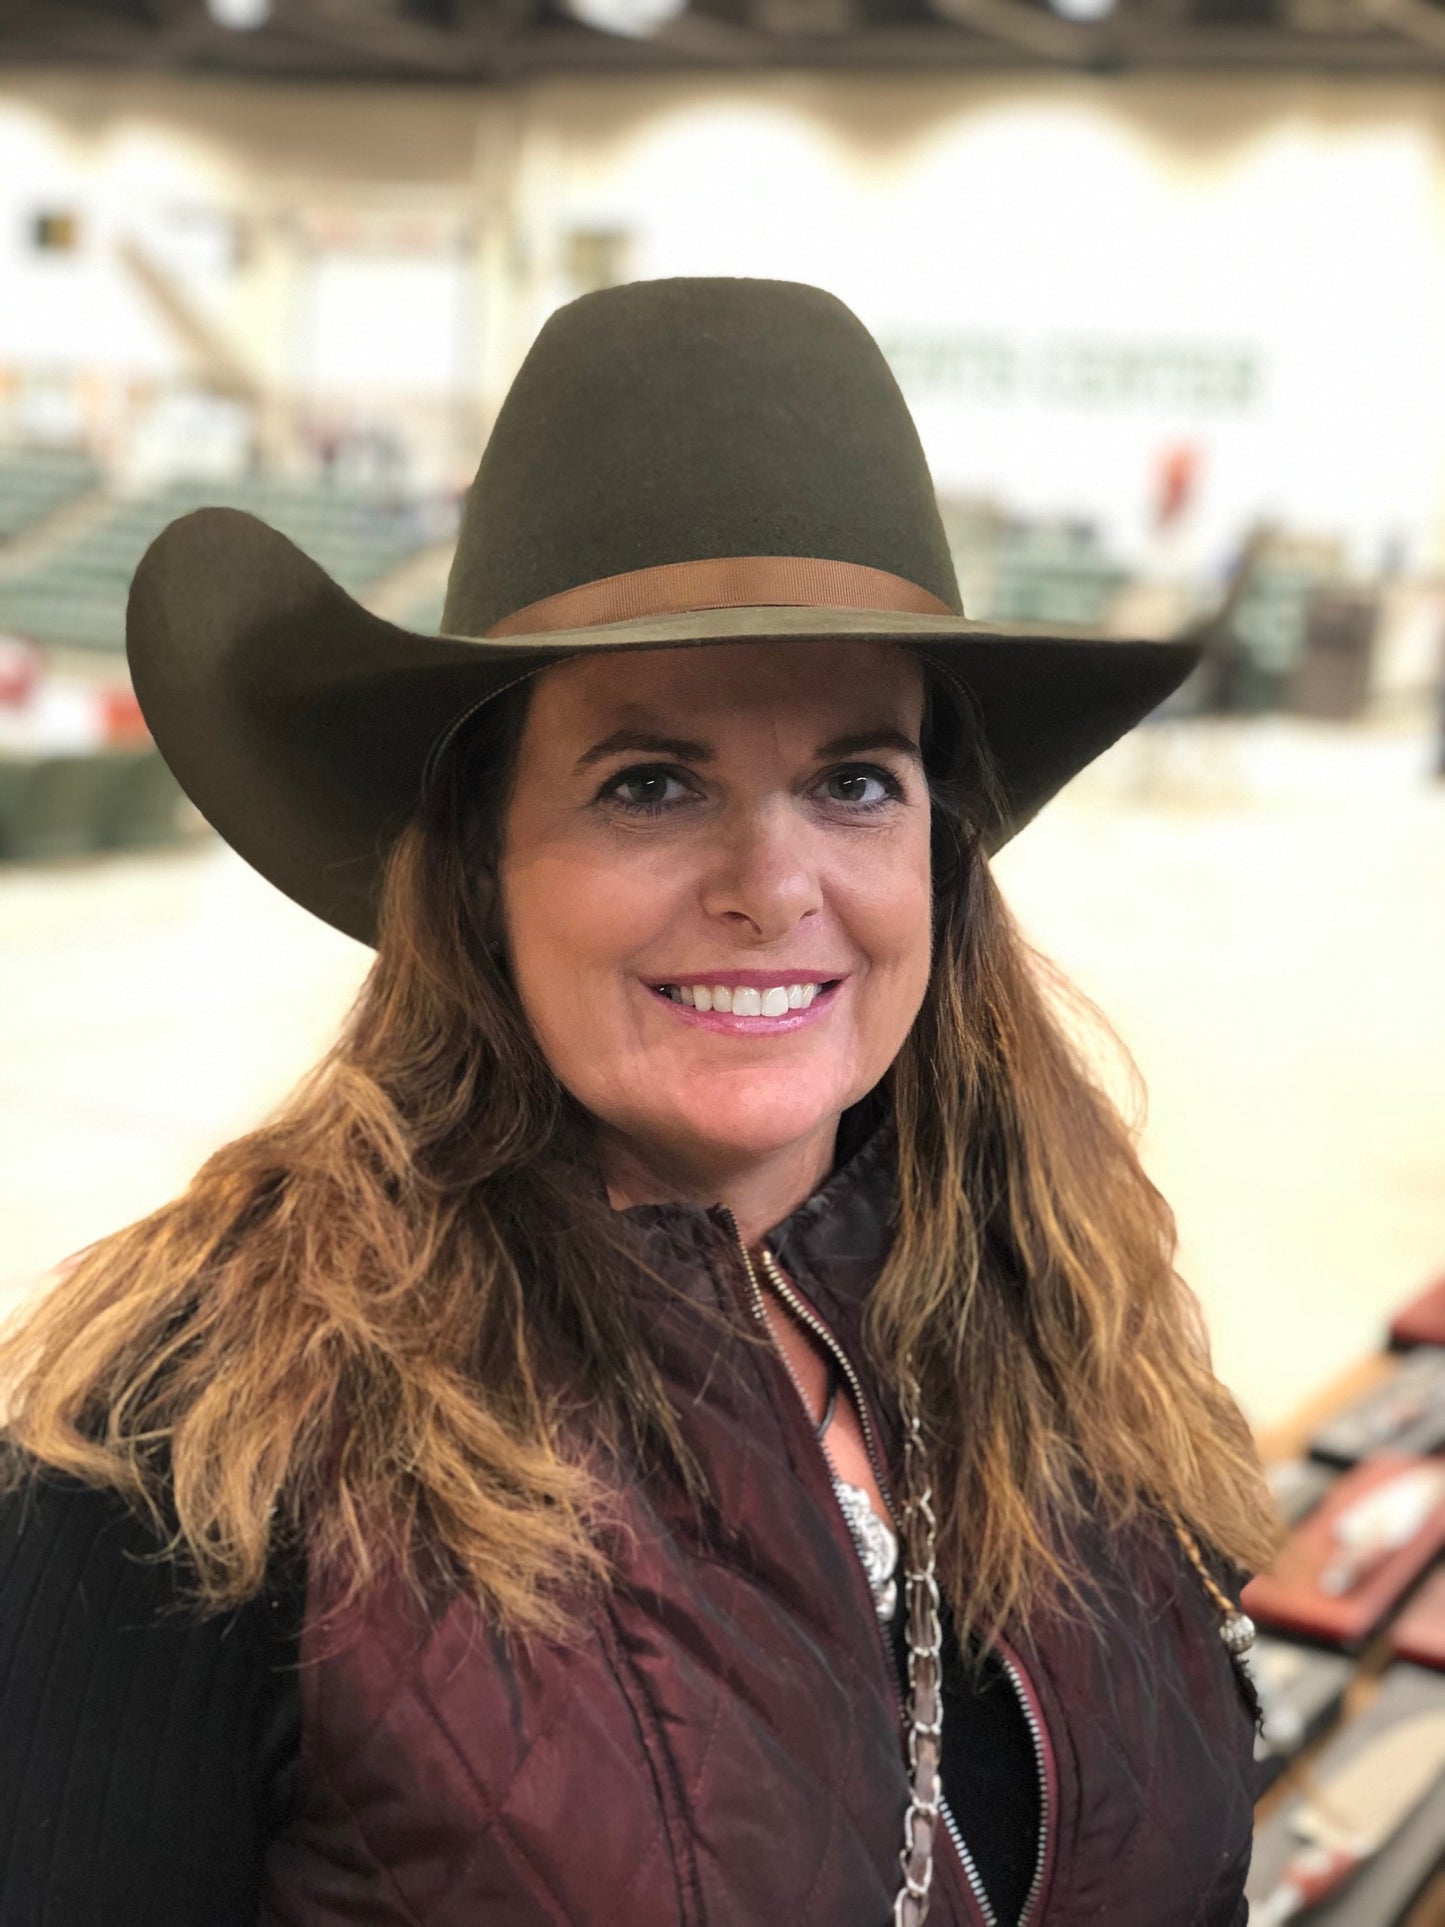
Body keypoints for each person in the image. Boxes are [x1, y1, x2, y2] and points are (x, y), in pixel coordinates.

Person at [0, 278, 1280, 1927]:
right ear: (476, 859)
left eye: (854, 780)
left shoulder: (1079, 1324)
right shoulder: (190, 1448)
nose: (773, 884)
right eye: (650, 783)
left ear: (938, 852)